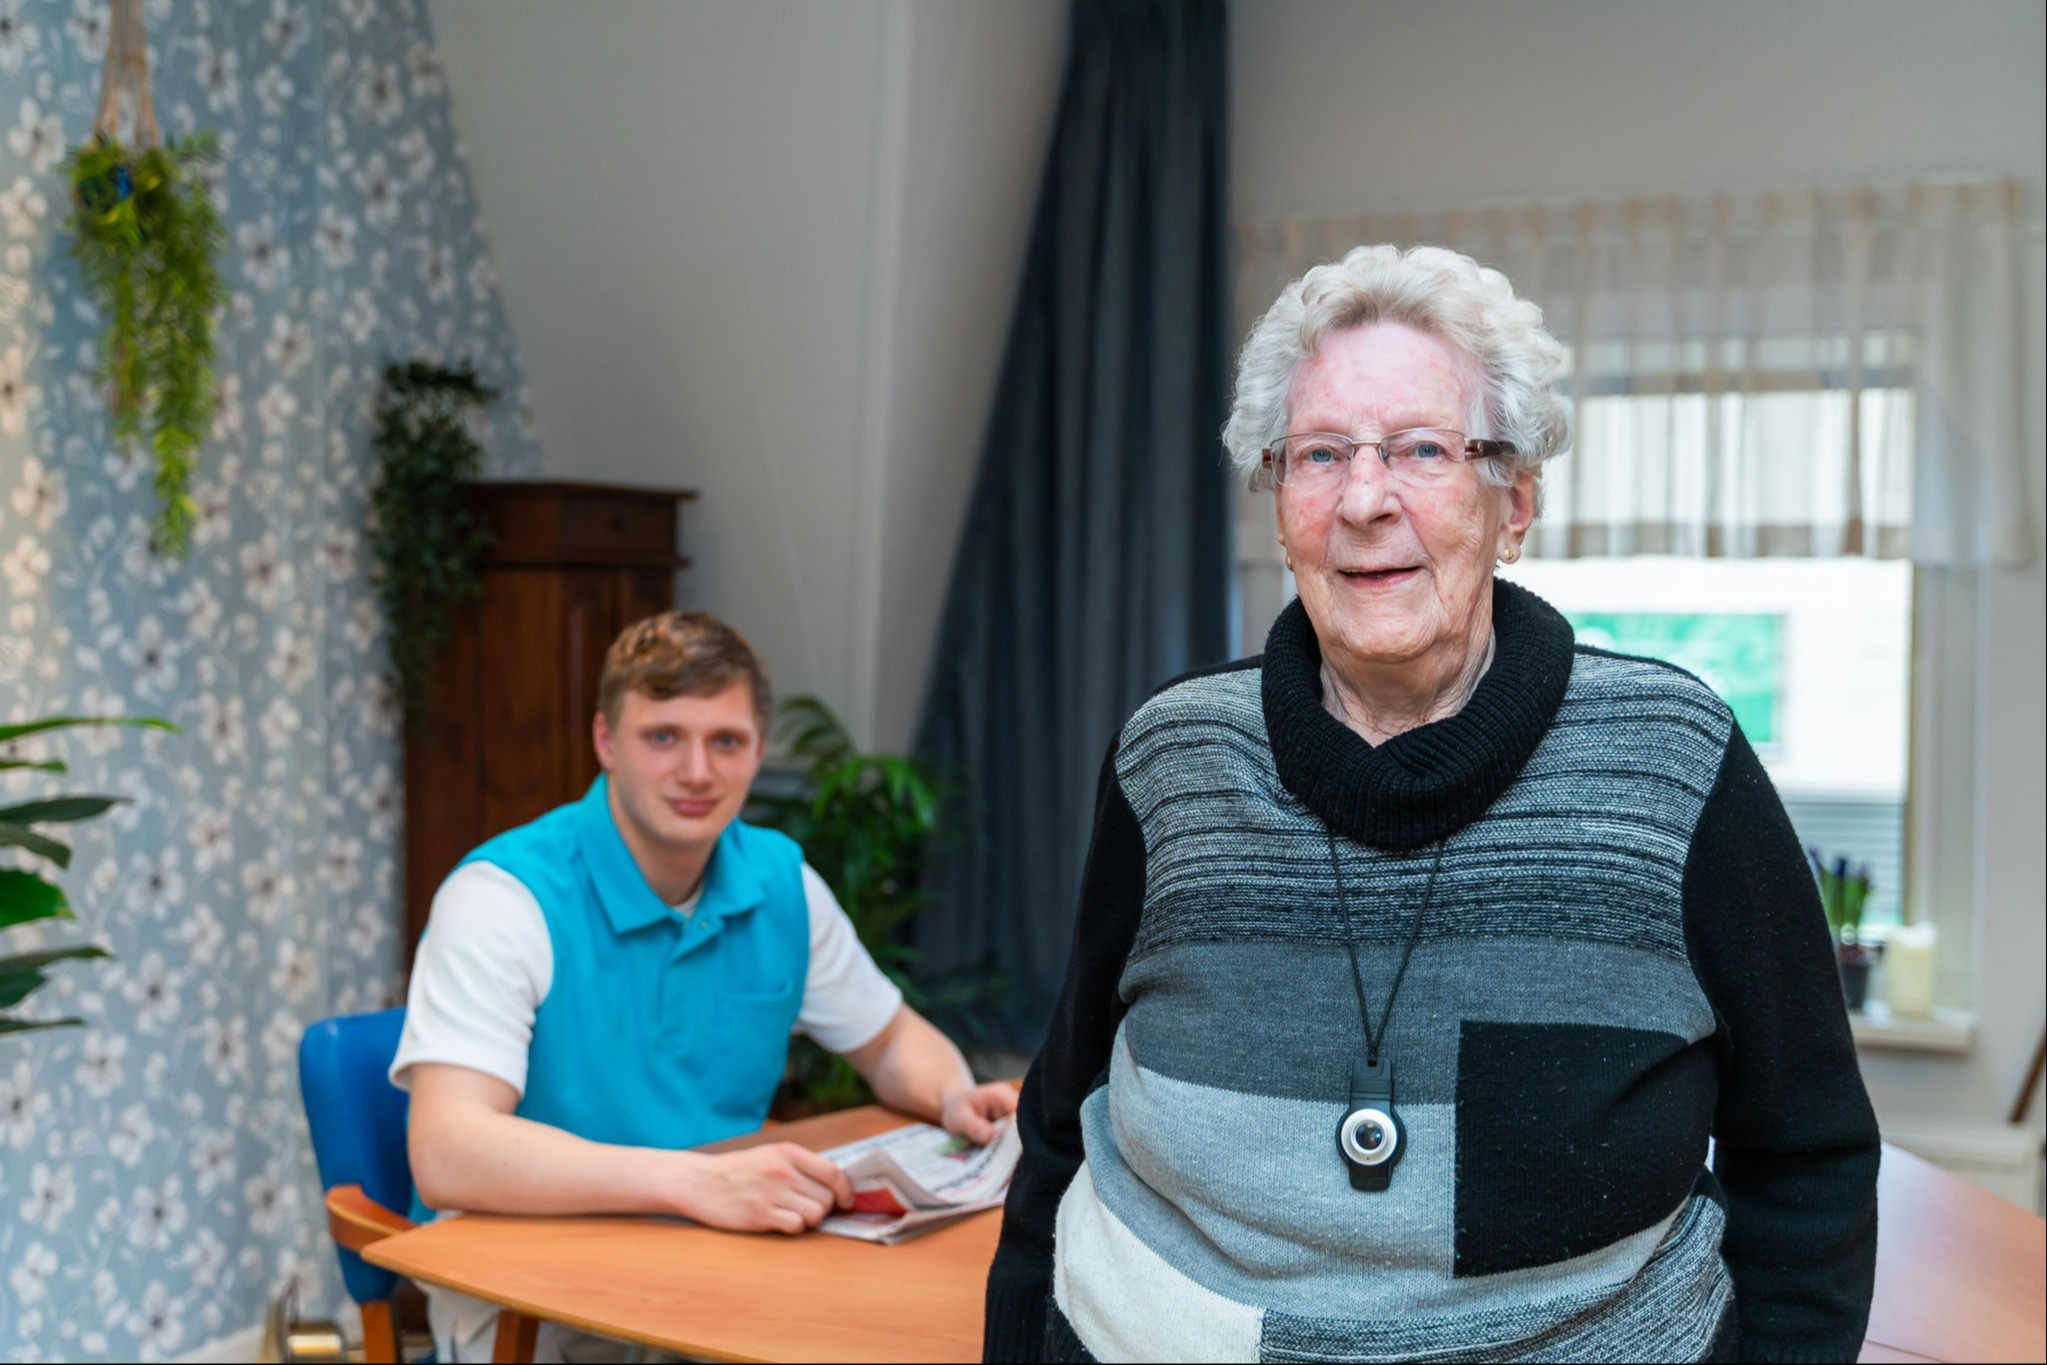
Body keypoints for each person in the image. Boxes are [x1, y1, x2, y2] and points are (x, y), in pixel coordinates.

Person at [984, 244, 1878, 1363]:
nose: (1364, 500)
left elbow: (1807, 1156)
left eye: (1420, 449)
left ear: (1515, 505)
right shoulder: (1175, 754)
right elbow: (1065, 1115)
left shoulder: (1673, 759)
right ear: (1278, 507)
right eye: (1318, 455)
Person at [392, 611, 1017, 1363]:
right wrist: (696, 1183)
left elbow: (887, 1038)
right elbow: (449, 1150)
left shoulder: (780, 880)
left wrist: (951, 1092)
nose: (697, 772)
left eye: (726, 740)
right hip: (531, 1294)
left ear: (756, 751)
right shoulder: (503, 896)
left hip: (719, 1256)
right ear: (605, 742)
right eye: (663, 736)